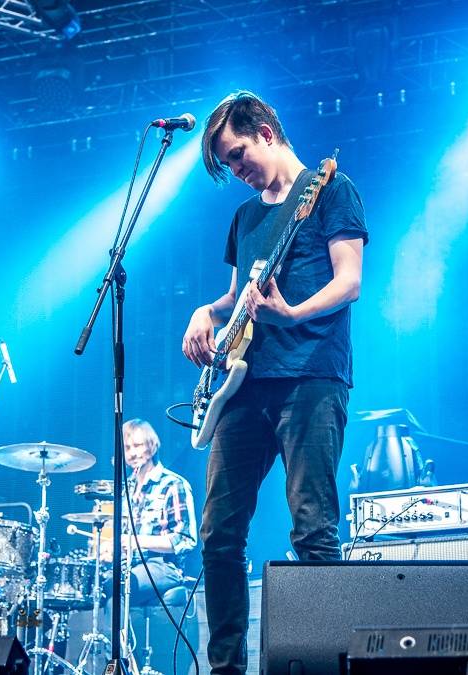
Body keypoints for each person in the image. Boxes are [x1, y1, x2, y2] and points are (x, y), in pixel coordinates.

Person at [181, 91, 367, 674]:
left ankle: (322, 665)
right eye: (227, 165)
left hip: (310, 377)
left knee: (312, 527)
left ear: (265, 131)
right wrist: (205, 313)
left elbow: (349, 281)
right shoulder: (245, 217)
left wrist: (292, 313)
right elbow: (238, 295)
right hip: (244, 385)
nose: (236, 170)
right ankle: (226, 668)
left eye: (237, 155)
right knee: (218, 533)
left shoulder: (331, 190)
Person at [117, 418, 197, 605]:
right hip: (129, 566)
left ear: (152, 446)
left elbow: (185, 539)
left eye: (137, 445)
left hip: (164, 566)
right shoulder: (124, 489)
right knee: (100, 586)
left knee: (122, 584)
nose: (132, 453)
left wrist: (135, 541)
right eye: (127, 448)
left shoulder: (173, 484)